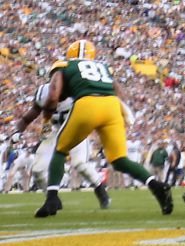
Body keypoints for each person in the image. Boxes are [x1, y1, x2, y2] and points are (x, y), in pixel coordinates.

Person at [16, 40, 172, 218]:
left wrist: (46, 118)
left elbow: (52, 96)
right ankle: (156, 186)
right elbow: (120, 93)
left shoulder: (65, 65)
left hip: (87, 103)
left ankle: (52, 199)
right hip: (112, 106)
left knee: (60, 150)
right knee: (119, 159)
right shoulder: (103, 66)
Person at [13, 80, 109, 208]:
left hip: (76, 130)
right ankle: (52, 198)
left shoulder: (77, 91)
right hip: (55, 131)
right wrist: (17, 132)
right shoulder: (43, 92)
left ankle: (100, 190)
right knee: (37, 170)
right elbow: (29, 117)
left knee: (80, 164)